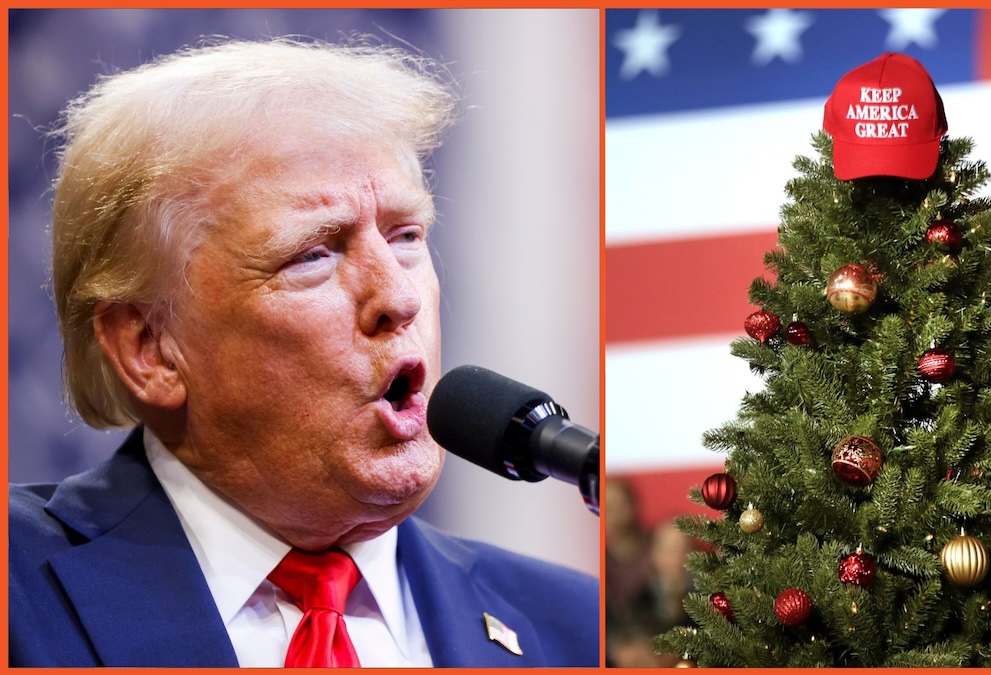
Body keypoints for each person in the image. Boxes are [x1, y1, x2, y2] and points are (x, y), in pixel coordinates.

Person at [9, 37, 598, 667]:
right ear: (150, 348)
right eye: (314, 254)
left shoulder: (574, 629)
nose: (399, 297)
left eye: (405, 236)